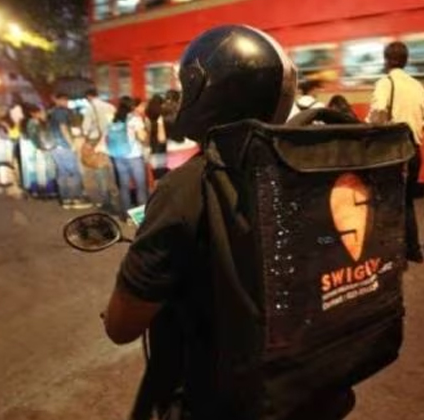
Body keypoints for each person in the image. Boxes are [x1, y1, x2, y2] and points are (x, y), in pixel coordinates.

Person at [101, 25, 356, 419]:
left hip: (227, 400)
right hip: (313, 387)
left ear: (208, 92)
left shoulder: (186, 187)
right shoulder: (307, 169)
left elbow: (121, 327)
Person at [367, 41, 424, 263]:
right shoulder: (418, 86)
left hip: (392, 151)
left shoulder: (385, 83)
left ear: (386, 60)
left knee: (386, 201)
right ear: (406, 60)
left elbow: (378, 110)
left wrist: (372, 125)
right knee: (407, 201)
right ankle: (413, 250)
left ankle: (391, 253)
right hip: (414, 150)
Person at [48, 93, 91, 209]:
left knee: (62, 172)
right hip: (64, 145)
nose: (66, 103)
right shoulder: (61, 112)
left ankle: (65, 199)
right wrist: (71, 144)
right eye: (64, 100)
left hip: (54, 147)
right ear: (58, 100)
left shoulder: (52, 112)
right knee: (74, 172)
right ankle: (76, 198)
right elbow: (63, 128)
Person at [82, 88, 116, 209]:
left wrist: (86, 139)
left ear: (88, 97)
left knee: (99, 169)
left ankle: (106, 200)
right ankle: (115, 193)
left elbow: (85, 128)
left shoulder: (90, 108)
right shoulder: (110, 107)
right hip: (111, 140)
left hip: (96, 142)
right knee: (111, 168)